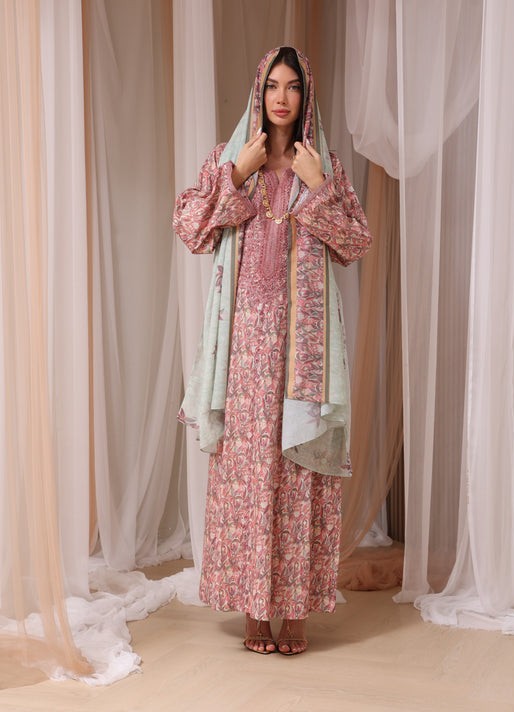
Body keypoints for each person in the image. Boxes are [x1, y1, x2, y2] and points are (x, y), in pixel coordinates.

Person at [173, 47, 372, 655]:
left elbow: (355, 243)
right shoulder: (233, 159)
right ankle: (255, 608)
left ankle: (295, 608)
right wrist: (236, 175)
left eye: (293, 87)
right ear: (258, 94)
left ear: (306, 97)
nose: (281, 98)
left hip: (304, 343)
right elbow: (190, 228)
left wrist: (318, 189)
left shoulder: (322, 166)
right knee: (250, 470)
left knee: (299, 469)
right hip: (245, 344)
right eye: (272, 86)